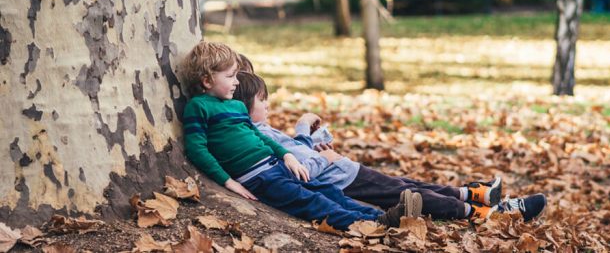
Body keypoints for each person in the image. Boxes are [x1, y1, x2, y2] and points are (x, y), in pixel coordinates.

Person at [233, 70, 548, 223]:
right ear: (245, 106)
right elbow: (301, 165)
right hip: (340, 178)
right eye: (263, 101)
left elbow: (299, 155)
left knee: (408, 184)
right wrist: (310, 137)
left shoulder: (256, 129)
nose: (268, 105)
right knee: (409, 195)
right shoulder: (255, 133)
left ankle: (474, 193)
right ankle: (489, 213)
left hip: (343, 170)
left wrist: (316, 144)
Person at [180, 41, 423, 230]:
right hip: (259, 178)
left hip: (277, 166)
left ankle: (383, 217)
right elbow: (197, 149)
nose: (236, 82)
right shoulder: (199, 107)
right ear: (207, 79)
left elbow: (261, 137)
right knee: (312, 202)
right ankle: (371, 225)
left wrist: (287, 156)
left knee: (328, 192)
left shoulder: (236, 106)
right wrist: (227, 181)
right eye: (230, 76)